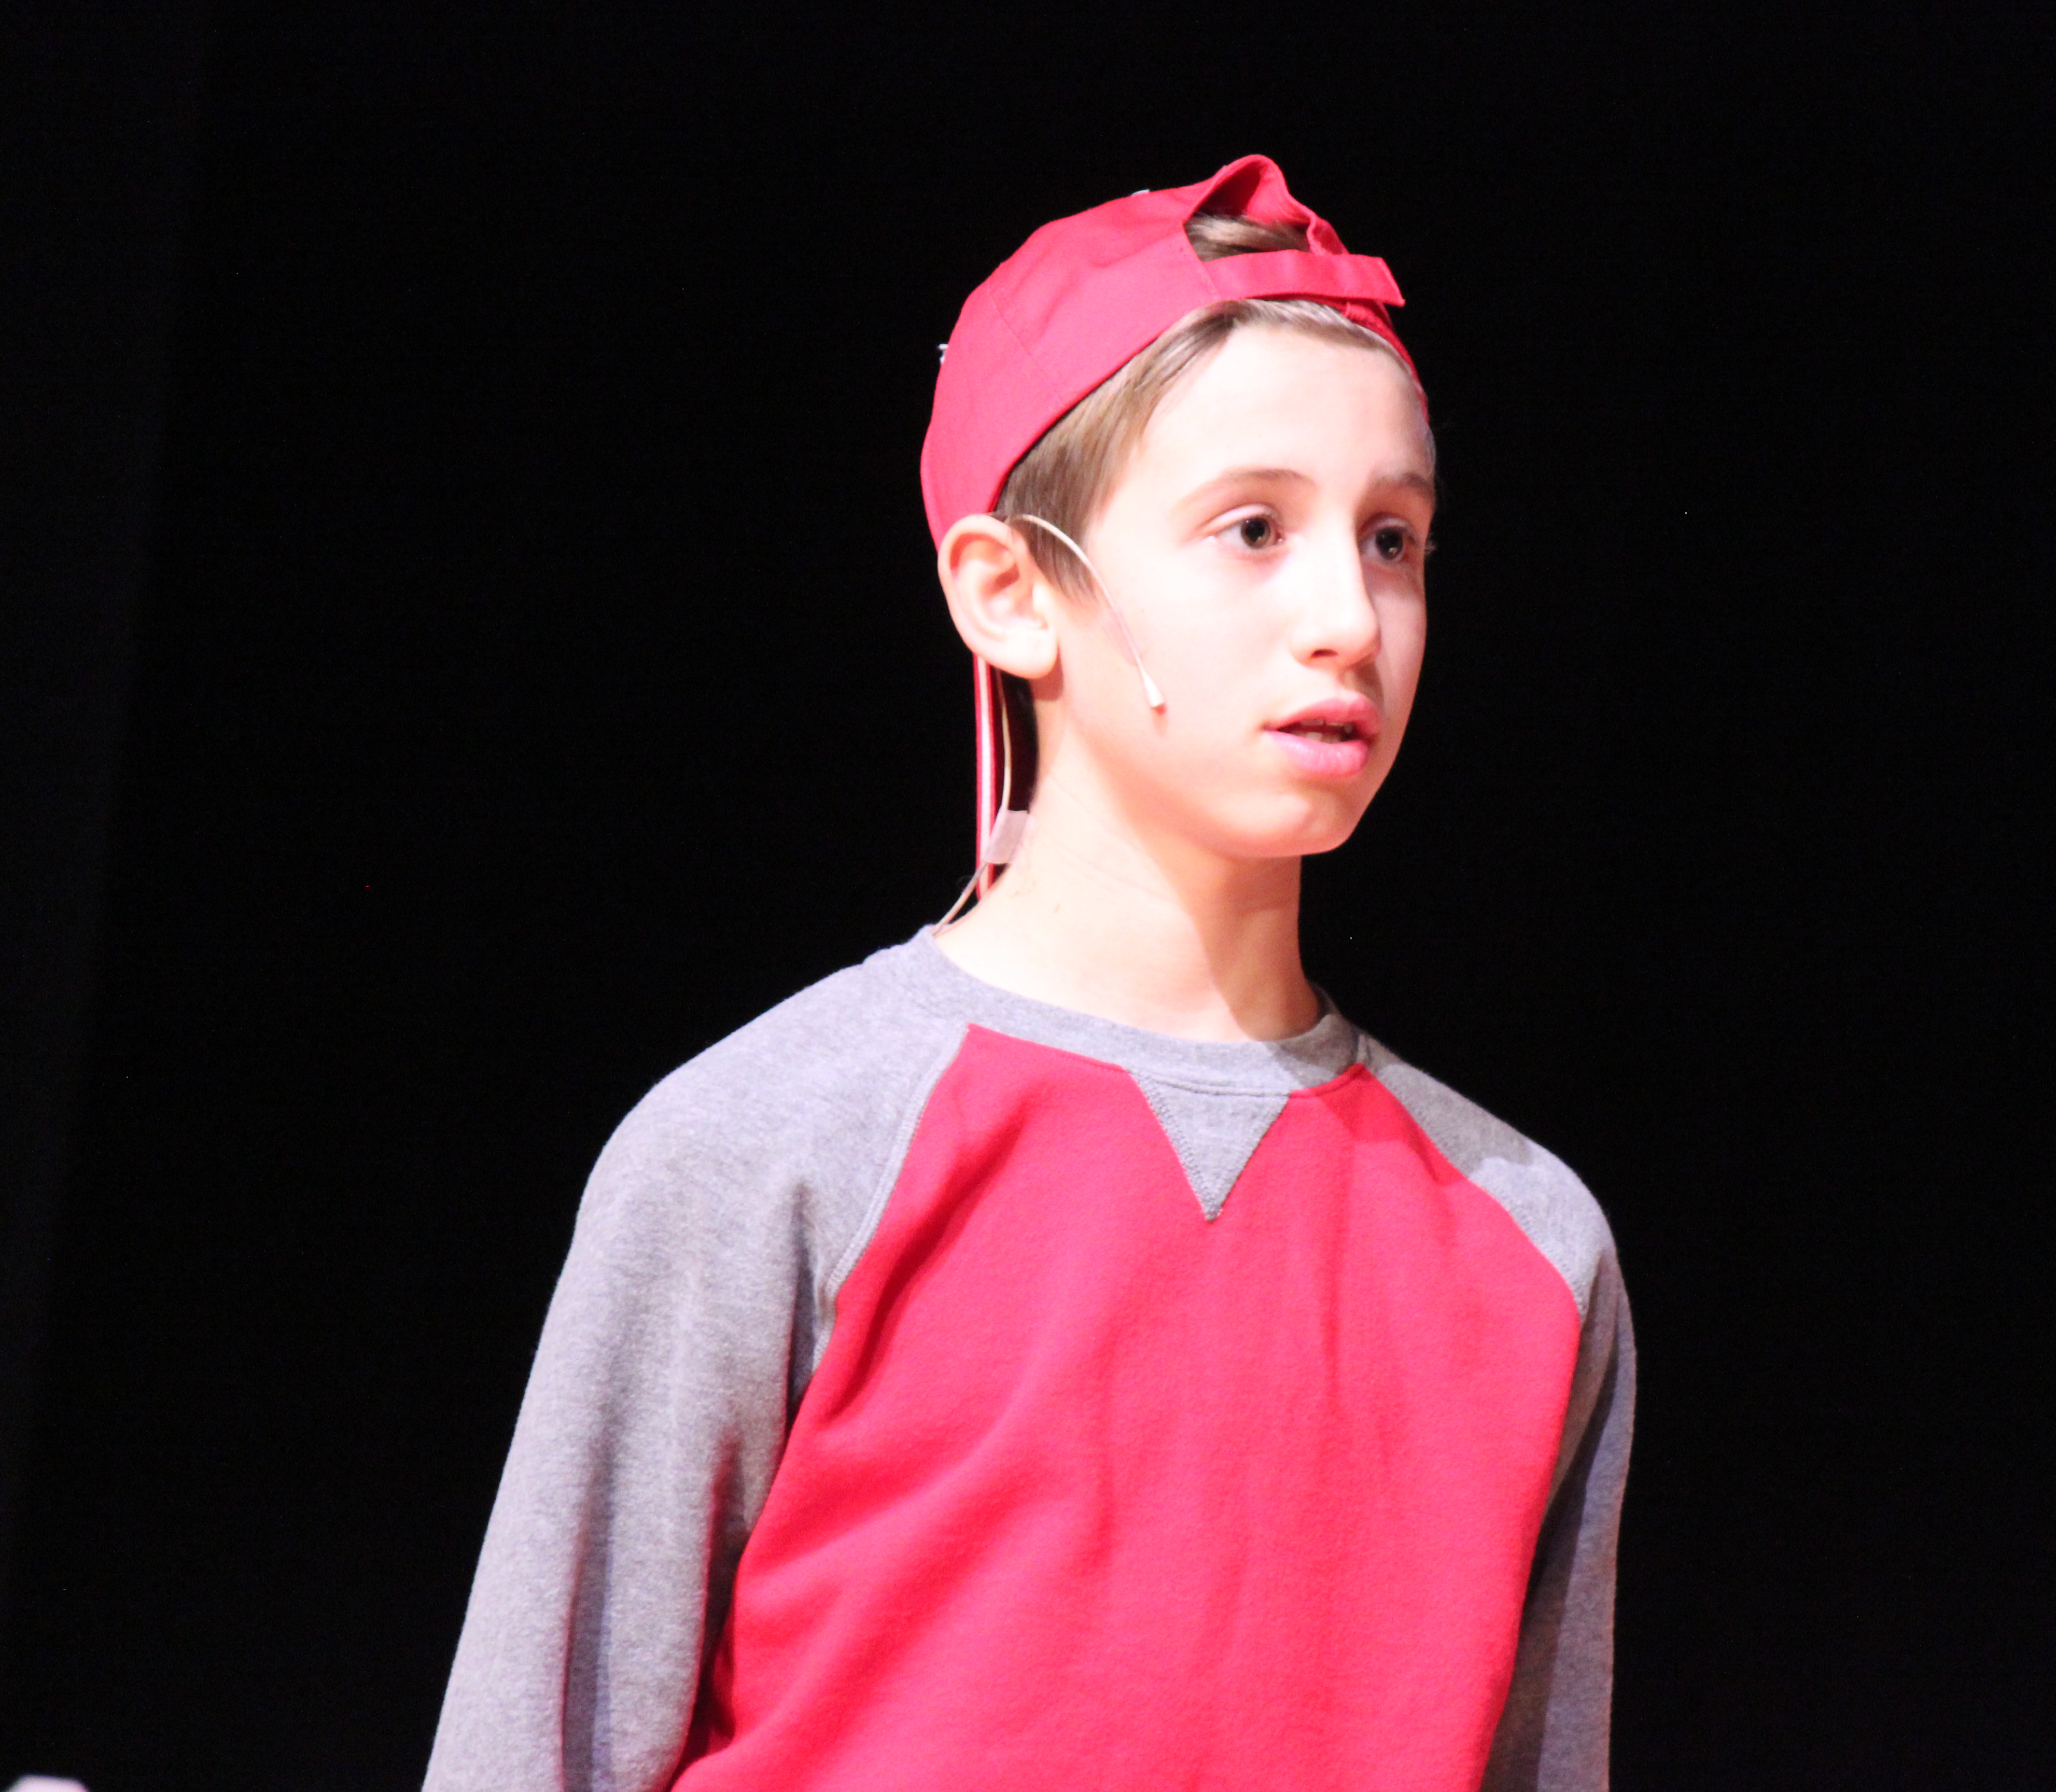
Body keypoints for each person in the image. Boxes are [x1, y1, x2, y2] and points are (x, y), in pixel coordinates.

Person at [424, 154, 1633, 1792]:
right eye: (1254, 529)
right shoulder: (774, 1148)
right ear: (1010, 592)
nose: (1349, 617)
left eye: (1393, 539)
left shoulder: (1530, 1243)